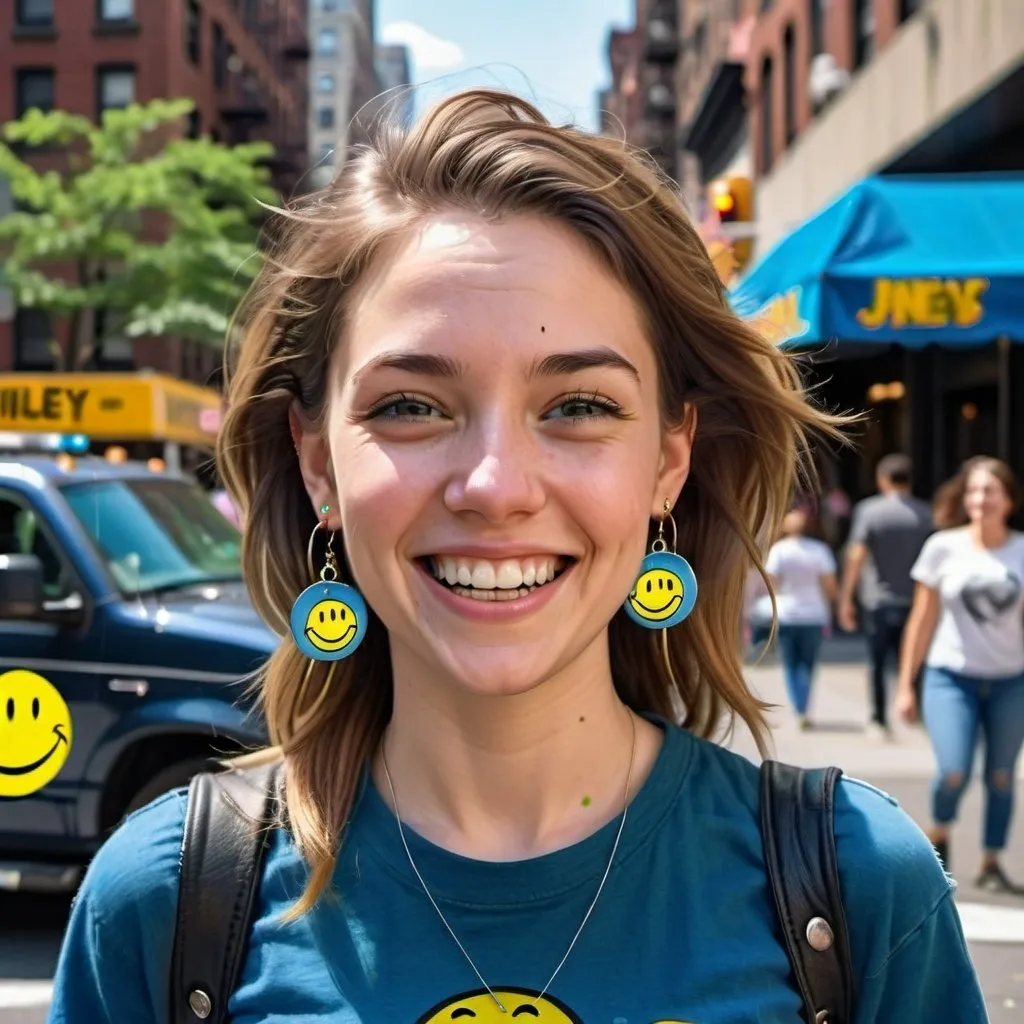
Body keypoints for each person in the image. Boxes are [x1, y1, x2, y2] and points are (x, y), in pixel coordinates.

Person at [47, 90, 986, 1023]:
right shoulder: (163, 904)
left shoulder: (864, 891)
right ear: (315, 460)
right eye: (410, 406)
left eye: (579, 406)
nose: (496, 486)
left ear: (669, 458)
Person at [897, 457, 1024, 895]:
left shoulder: (1021, 551)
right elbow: (921, 619)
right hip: (950, 676)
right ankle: (940, 832)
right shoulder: (942, 547)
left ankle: (991, 860)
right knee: (953, 770)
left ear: (1008, 500)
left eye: (989, 491)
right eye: (972, 490)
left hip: (1011, 680)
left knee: (1003, 775)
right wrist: (904, 685)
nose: (979, 499)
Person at [838, 453, 932, 738]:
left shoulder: (870, 511)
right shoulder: (926, 513)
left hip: (877, 598)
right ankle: (917, 713)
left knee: (877, 661)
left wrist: (845, 599)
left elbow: (856, 556)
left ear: (882, 480)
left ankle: (879, 717)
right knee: (915, 656)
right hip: (916, 600)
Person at [766, 509, 838, 729]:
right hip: (813, 614)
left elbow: (770, 579)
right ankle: (804, 707)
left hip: (787, 612)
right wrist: (833, 601)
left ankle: (798, 707)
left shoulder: (779, 550)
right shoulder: (819, 550)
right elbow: (829, 584)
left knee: (790, 663)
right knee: (808, 664)